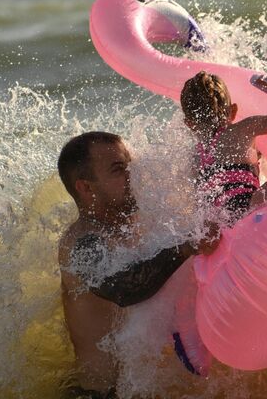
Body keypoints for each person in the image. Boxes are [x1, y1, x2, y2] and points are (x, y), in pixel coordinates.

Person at [56, 131, 218, 398]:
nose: (134, 176)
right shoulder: (81, 243)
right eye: (119, 170)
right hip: (102, 394)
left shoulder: (134, 224)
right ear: (86, 187)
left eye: (132, 166)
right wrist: (187, 246)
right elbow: (123, 289)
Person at [180, 71, 267, 221]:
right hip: (247, 210)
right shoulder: (244, 129)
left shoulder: (196, 156)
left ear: (189, 124)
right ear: (233, 111)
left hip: (221, 224)